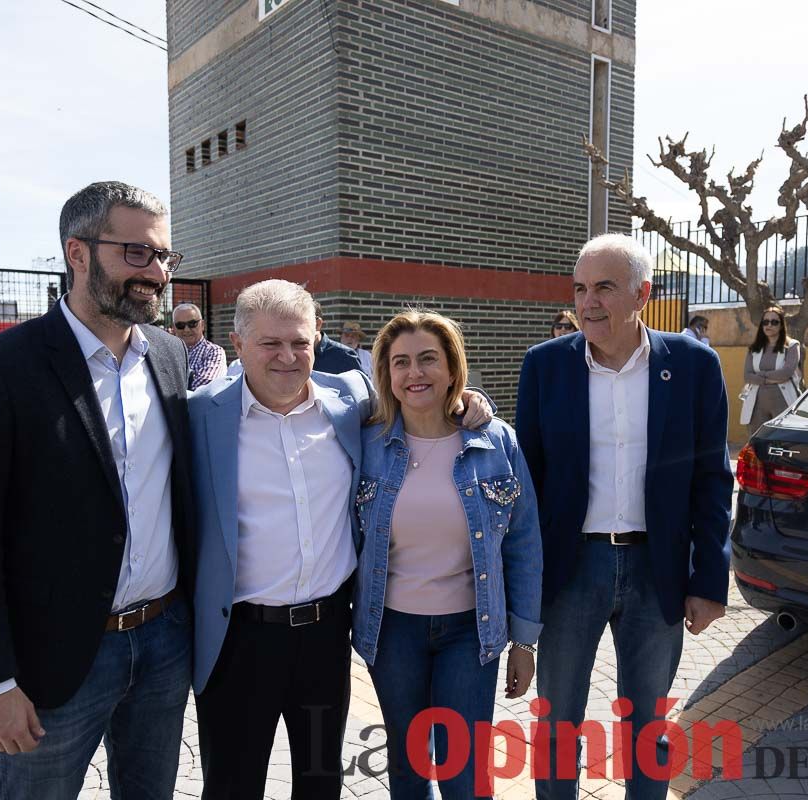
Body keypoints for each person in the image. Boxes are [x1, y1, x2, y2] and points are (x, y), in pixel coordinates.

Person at [0, 181, 196, 799]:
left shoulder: (166, 355)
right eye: (137, 253)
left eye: (164, 257)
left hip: (163, 645)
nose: (156, 273)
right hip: (53, 663)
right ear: (77, 254)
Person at [187, 279, 491, 800]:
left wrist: (468, 400)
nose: (287, 357)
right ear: (237, 345)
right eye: (270, 344)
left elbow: (420, 397)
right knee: (231, 787)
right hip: (239, 640)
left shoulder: (349, 400)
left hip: (325, 637)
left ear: (317, 337)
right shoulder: (199, 414)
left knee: (321, 782)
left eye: (299, 342)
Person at [515, 234, 733, 800]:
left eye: (604, 288)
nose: (588, 302)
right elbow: (528, 481)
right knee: (557, 721)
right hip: (570, 571)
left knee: (649, 727)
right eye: (581, 288)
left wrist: (708, 581)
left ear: (643, 293)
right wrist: (524, 588)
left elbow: (712, 479)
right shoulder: (544, 367)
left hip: (657, 569)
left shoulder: (691, 366)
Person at [352, 310, 543, 798]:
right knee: (409, 767)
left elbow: (523, 544)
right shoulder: (365, 442)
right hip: (392, 631)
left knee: (465, 770)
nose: (414, 373)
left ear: (453, 368)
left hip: (470, 630)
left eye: (427, 359)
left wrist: (524, 642)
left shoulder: (496, 442)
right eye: (401, 363)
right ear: (386, 375)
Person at [740, 306, 803, 436]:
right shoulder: (754, 348)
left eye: (774, 322)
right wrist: (770, 379)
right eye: (765, 322)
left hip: (783, 401)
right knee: (758, 441)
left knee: (783, 440)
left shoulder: (791, 346)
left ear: (781, 325)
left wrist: (761, 376)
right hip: (756, 403)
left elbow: (786, 373)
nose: (769, 325)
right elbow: (747, 376)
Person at [172, 302, 226, 389]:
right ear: (174, 328)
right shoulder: (168, 353)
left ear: (202, 325)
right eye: (180, 325)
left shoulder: (213, 351)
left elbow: (205, 385)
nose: (186, 330)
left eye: (192, 324)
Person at [312, 300, 363, 374]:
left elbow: (361, 384)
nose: (349, 338)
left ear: (317, 324)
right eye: (346, 335)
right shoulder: (293, 354)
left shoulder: (346, 356)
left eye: (353, 336)